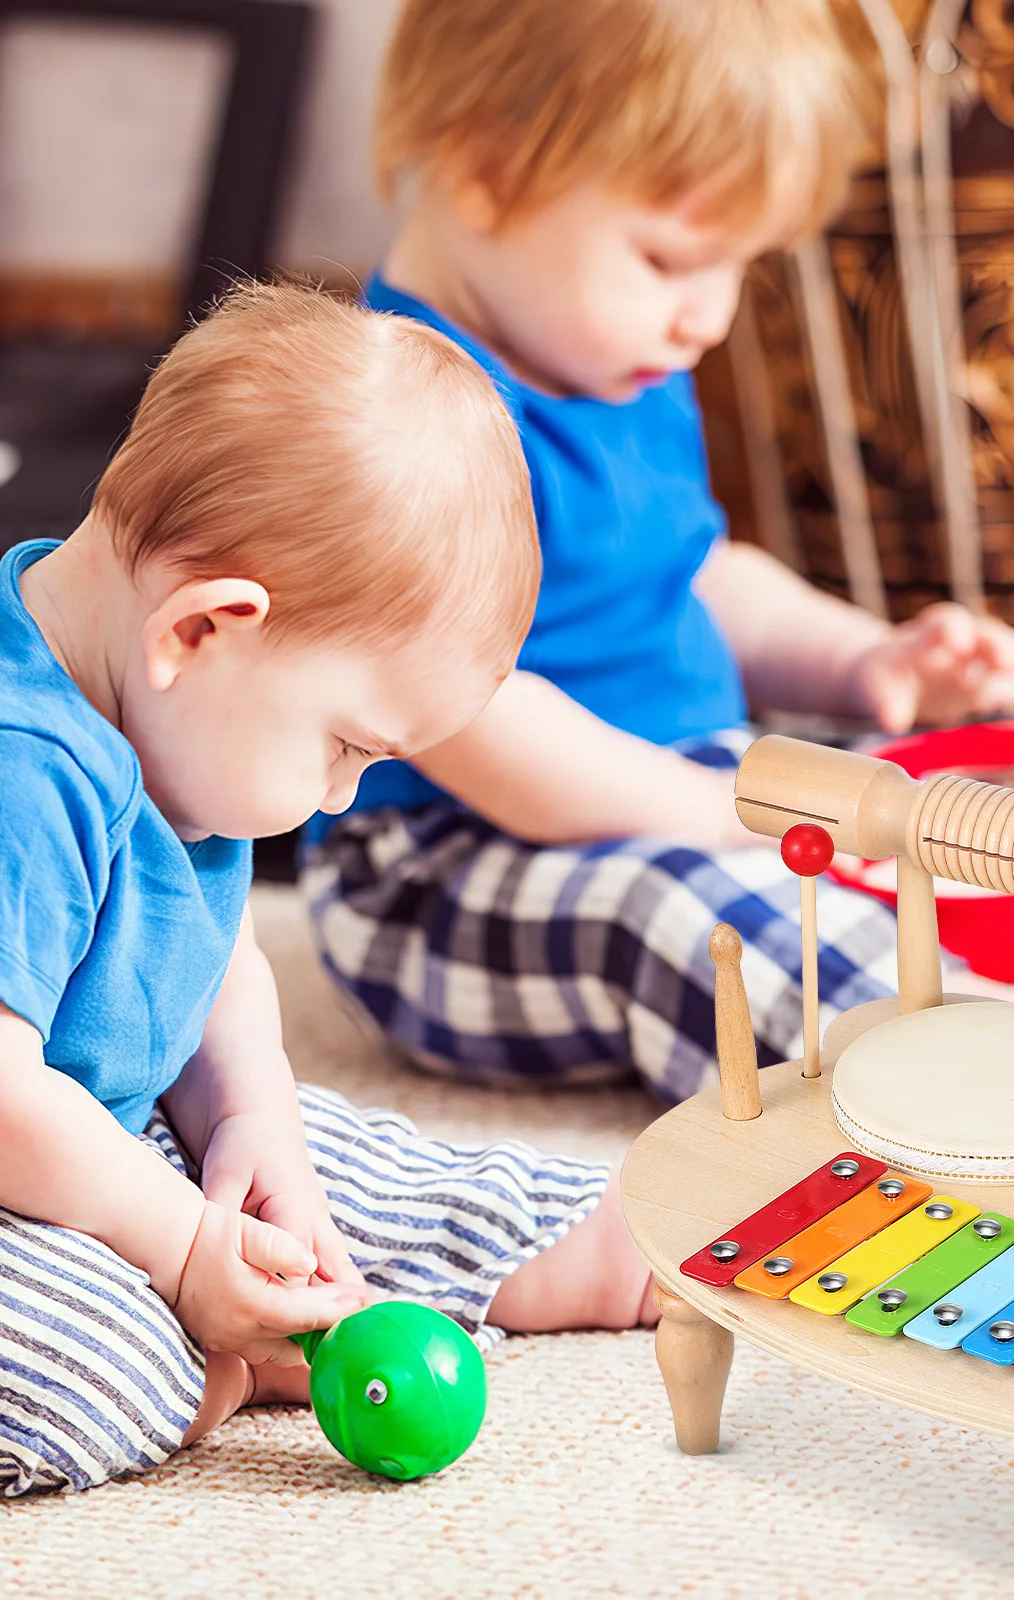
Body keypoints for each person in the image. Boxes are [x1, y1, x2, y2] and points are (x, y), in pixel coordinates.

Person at [303, 0, 1014, 1105]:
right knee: (689, 911)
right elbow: (476, 721)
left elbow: (699, 574)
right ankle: (950, 1083)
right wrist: (717, 815)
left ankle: (984, 999)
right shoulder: (398, 421)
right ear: (485, 168)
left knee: (894, 809)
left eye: (739, 267)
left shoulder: (616, 364)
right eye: (670, 260)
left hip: (672, 784)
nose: (707, 319)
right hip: (443, 870)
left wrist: (868, 658)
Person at [0, 283, 653, 1497]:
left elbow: (215, 949)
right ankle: (197, 1343)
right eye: (347, 747)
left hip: (95, 1125)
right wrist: (185, 1244)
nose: (344, 796)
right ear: (204, 630)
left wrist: (254, 1121)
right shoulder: (21, 765)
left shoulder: (166, 707)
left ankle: (550, 1243)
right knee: (87, 1347)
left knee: (336, 1172)